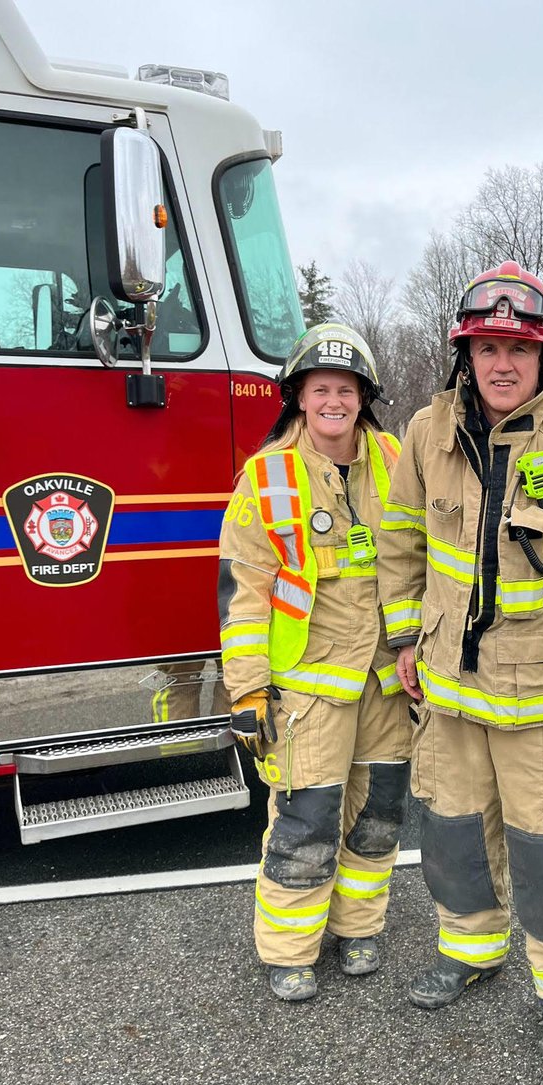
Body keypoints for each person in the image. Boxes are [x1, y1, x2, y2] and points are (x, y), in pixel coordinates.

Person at [376, 261, 543, 1064]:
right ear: (464, 354)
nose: (501, 363)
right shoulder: (425, 434)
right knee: (451, 833)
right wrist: (403, 640)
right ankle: (471, 952)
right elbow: (399, 543)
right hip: (450, 695)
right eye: (486, 346)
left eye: (517, 350)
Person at [218, 322, 412, 1001]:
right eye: (321, 389)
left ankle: (359, 926)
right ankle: (289, 949)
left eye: (347, 389)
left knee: (378, 812)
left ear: (364, 398)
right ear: (299, 397)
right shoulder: (266, 476)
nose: (334, 400)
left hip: (387, 681)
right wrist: (247, 692)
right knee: (306, 818)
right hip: (307, 689)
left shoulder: (394, 455)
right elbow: (244, 592)